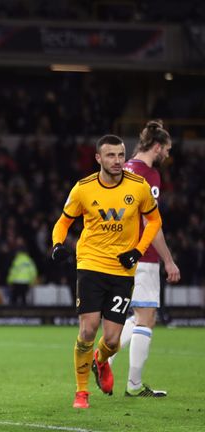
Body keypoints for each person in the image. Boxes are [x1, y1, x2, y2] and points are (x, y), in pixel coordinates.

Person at [51, 134, 162, 409]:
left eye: (121, 155)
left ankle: (100, 361)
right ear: (98, 158)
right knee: (88, 330)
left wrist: (137, 250)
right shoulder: (83, 188)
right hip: (90, 264)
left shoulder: (139, 186)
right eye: (110, 155)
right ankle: (81, 392)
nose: (117, 161)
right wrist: (57, 245)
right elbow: (63, 222)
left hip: (122, 269)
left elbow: (154, 219)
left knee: (112, 339)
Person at [108, 121, 180, 397]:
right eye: (168, 150)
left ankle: (102, 358)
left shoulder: (122, 169)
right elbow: (154, 224)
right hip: (143, 256)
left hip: (118, 253)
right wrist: (169, 260)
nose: (168, 156)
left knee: (136, 316)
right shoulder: (148, 176)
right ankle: (134, 385)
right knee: (147, 318)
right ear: (158, 147)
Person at [6, 237, 38, 306]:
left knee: (14, 299)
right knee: (24, 299)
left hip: (16, 282)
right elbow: (33, 272)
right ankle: (25, 314)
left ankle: (11, 314)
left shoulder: (17, 260)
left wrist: (9, 281)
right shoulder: (29, 260)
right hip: (26, 282)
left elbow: (13, 272)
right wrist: (32, 282)